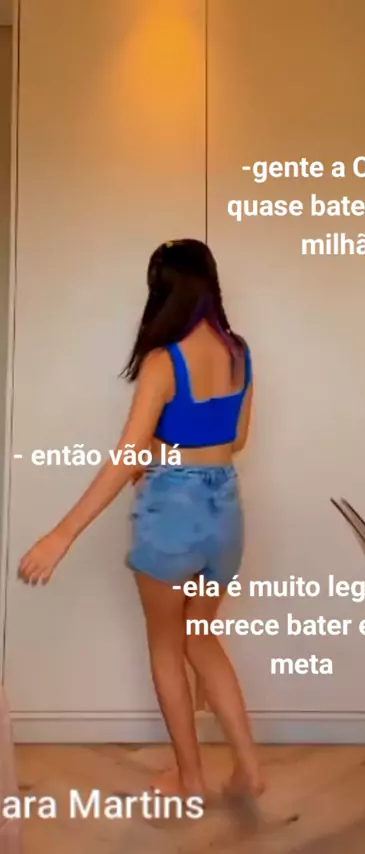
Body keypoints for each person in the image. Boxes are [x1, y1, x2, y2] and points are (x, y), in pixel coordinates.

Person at [18, 238, 264, 802]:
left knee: (167, 644)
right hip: (226, 511)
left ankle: (192, 779)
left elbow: (129, 456)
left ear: (162, 291)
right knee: (201, 638)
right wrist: (172, 445)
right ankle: (249, 770)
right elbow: (235, 440)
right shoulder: (240, 353)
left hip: (172, 513)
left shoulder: (164, 360)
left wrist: (62, 534)